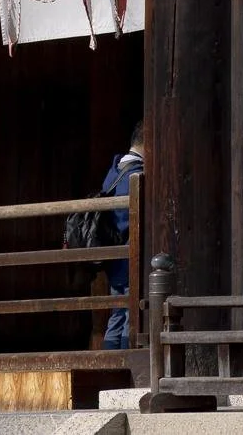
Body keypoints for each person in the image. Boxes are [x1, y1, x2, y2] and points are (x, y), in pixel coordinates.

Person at [101, 123, 144, 350]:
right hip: (129, 253)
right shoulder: (137, 175)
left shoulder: (114, 172)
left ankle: (109, 363)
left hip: (114, 255)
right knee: (129, 314)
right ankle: (129, 367)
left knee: (117, 313)